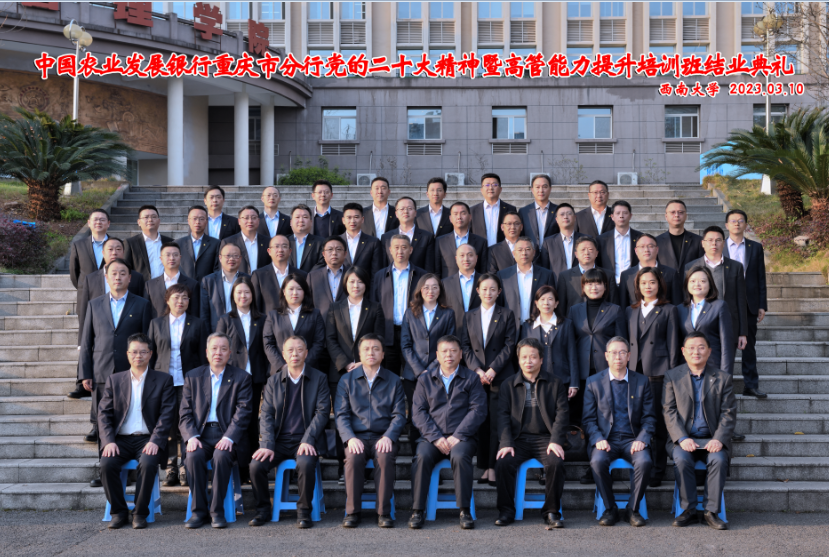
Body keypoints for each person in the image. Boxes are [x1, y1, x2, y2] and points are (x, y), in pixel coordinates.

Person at [78, 258, 153, 483]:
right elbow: (87, 341)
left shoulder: (142, 304)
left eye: (122, 273)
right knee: (104, 423)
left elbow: (147, 341)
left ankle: (131, 472)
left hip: (132, 373)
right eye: (113, 273)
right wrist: (85, 373)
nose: (118, 277)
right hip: (102, 373)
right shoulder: (95, 304)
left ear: (130, 278)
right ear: (106, 277)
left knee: (131, 418)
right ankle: (106, 471)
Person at [248, 336, 331, 528]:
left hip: (305, 440)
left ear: (306, 353)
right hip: (278, 441)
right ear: (283, 355)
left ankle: (303, 512)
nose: (295, 354)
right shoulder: (273, 381)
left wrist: (308, 439)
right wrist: (267, 444)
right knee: (256, 465)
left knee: (305, 463)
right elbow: (266, 414)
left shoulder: (319, 378)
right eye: (290, 350)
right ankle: (262, 510)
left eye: (300, 349)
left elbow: (322, 412)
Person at [409, 335, 487, 530]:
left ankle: (464, 510)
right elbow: (418, 412)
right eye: (444, 351)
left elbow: (478, 410)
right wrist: (435, 437)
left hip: (462, 438)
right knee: (421, 457)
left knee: (460, 457)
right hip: (432, 438)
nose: (449, 355)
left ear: (461, 354)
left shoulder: (471, 378)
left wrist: (458, 436)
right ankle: (417, 510)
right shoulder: (425, 379)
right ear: (437, 355)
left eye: (453, 351)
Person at [97, 333, 176, 529]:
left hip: (148, 439)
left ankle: (140, 513)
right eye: (134, 352)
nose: (138, 356)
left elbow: (167, 415)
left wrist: (155, 440)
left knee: (148, 463)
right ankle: (119, 512)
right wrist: (108, 441)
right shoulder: (115, 380)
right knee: (107, 464)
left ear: (150, 354)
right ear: (127, 354)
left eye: (143, 352)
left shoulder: (164, 380)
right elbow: (104, 414)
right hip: (120, 440)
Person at [494, 337, 569, 529]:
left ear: (541, 359)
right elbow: (502, 415)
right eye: (524, 357)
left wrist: (556, 440)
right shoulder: (508, 385)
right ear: (518, 360)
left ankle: (551, 511)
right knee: (503, 462)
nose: (529, 361)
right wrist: (506, 442)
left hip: (546, 439)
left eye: (533, 357)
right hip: (518, 439)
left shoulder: (555, 383)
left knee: (555, 462)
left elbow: (562, 414)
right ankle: (506, 510)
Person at [664, 332, 736, 530]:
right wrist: (681, 437)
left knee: (718, 460)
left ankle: (711, 512)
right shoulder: (672, 377)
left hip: (712, 439)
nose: (696, 352)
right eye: (691, 348)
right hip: (684, 439)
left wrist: (718, 439)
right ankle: (688, 510)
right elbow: (669, 411)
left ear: (709, 351)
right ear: (683, 351)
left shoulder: (722, 378)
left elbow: (728, 413)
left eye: (701, 347)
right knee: (681, 459)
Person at [180, 333, 252, 529]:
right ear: (207, 352)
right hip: (200, 435)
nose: (218, 352)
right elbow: (185, 413)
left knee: (221, 456)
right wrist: (191, 437)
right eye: (214, 348)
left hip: (226, 435)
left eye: (223, 348)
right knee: (193, 456)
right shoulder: (193, 377)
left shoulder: (242, 378)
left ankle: (217, 511)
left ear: (230, 353)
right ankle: (198, 512)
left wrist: (229, 437)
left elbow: (243, 413)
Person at [582, 337, 656, 527]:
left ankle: (633, 508)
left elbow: (649, 417)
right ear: (606, 356)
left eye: (622, 352)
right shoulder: (593, 382)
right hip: (607, 440)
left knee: (644, 461)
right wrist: (598, 438)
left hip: (633, 439)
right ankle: (610, 508)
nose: (618, 357)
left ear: (629, 356)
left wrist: (642, 438)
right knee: (597, 461)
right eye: (613, 353)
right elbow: (588, 419)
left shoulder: (641, 381)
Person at [335, 334, 407, 528]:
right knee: (353, 458)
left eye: (376, 349)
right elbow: (341, 415)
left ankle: (383, 512)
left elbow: (400, 415)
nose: (371, 352)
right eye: (366, 349)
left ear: (383, 354)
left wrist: (389, 436)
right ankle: (352, 512)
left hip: (382, 436)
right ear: (359, 354)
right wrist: (349, 438)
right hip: (356, 436)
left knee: (384, 457)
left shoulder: (393, 380)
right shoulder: (346, 380)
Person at [325, 266, 385, 483]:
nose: (356, 285)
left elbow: (379, 338)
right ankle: (344, 467)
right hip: (340, 372)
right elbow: (330, 339)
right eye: (351, 281)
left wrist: (362, 362)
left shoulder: (375, 308)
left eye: (360, 281)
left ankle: (366, 468)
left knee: (365, 416)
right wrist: (345, 363)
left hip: (368, 370)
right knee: (343, 418)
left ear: (366, 284)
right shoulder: (335, 308)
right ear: (345, 284)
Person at [147, 284, 209, 486]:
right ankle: (170, 466)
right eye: (176, 297)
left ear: (189, 301)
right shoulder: (156, 324)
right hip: (163, 382)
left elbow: (203, 357)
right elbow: (151, 355)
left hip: (189, 382)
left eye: (184, 297)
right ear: (167, 300)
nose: (180, 301)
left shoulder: (198, 324)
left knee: (186, 423)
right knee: (167, 424)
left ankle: (185, 466)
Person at [626, 267, 681, 487]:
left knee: (657, 422)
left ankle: (658, 469)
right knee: (637, 421)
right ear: (637, 286)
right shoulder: (630, 310)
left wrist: (672, 375)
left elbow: (673, 344)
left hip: (658, 372)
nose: (648, 286)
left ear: (659, 284)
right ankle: (640, 464)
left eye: (652, 282)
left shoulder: (668, 309)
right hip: (635, 373)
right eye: (643, 283)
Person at [461, 273, 517, 486]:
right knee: (480, 422)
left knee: (496, 422)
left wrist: (493, 370)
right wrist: (476, 369)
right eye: (484, 289)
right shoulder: (469, 316)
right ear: (477, 291)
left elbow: (510, 345)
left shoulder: (507, 314)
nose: (488, 292)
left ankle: (494, 467)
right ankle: (483, 466)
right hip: (477, 377)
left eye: (493, 289)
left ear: (499, 292)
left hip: (500, 376)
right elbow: (465, 345)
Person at [215, 277, 269, 481]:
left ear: (253, 295)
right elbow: (220, 347)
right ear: (233, 296)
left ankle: (251, 467)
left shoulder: (262, 318)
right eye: (239, 292)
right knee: (234, 421)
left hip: (255, 377)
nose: (243, 296)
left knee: (251, 421)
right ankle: (237, 466)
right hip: (232, 377)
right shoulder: (225, 319)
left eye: (247, 292)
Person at [567, 268, 626, 445]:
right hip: (581, 371)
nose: (594, 287)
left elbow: (621, 342)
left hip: (605, 370)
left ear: (605, 286)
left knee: (604, 413)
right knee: (580, 413)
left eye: (598, 283)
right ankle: (581, 452)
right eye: (589, 283)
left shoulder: (615, 310)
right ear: (583, 287)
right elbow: (570, 343)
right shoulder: (574, 310)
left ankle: (603, 449)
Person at [75, 237, 146, 370]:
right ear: (103, 253)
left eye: (118, 249)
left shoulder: (137, 277)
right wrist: (81, 340)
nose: (114, 252)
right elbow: (84, 311)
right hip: (102, 345)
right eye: (110, 249)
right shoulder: (91, 279)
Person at [684, 226, 748, 368]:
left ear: (723, 243)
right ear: (703, 243)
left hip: (728, 325)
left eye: (718, 240)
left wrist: (742, 332)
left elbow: (741, 300)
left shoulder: (735, 266)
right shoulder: (691, 267)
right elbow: (686, 297)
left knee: (725, 365)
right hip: (701, 326)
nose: (714, 243)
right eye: (710, 240)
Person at [725, 209, 768, 399]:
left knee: (749, 346)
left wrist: (762, 304)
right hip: (725, 303)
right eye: (733, 220)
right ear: (726, 225)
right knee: (725, 345)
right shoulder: (719, 245)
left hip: (749, 303)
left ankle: (750, 385)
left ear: (746, 225)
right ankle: (723, 386)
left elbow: (760, 277)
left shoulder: (755, 247)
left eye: (740, 220)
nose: (737, 223)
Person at [371, 235, 427, 377]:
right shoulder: (380, 276)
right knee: (389, 376)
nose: (400, 251)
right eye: (396, 247)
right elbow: (374, 305)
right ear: (390, 250)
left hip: (413, 332)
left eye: (404, 247)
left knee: (412, 375)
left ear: (411, 250)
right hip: (388, 333)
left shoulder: (421, 275)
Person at [519, 286, 579, 395]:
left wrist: (574, 383)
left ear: (556, 303)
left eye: (550, 299)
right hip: (534, 381)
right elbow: (522, 355)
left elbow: (572, 354)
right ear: (536, 303)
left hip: (562, 380)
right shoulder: (527, 326)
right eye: (542, 299)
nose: (546, 303)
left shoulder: (566, 324)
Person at [263, 274, 326, 374]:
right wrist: (282, 365)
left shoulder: (315, 314)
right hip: (280, 371)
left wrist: (302, 365)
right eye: (291, 289)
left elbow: (319, 342)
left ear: (304, 292)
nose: (295, 293)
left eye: (299, 289)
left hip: (308, 370)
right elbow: (268, 343)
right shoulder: (273, 316)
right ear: (284, 292)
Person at [677, 266, 735, 374]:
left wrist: (725, 375)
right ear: (687, 284)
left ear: (710, 284)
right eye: (692, 281)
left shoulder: (719, 306)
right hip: (686, 369)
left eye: (702, 281)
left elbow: (727, 345)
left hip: (713, 366)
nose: (697, 284)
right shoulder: (680, 309)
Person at [497, 236, 556, 335]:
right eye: (520, 250)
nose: (524, 253)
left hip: (538, 328)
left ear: (534, 252)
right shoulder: (503, 276)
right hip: (510, 328)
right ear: (514, 253)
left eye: (528, 249)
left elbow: (552, 302)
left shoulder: (547, 275)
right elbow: (500, 304)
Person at [556, 236, 617, 316]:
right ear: (576, 254)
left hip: (602, 319)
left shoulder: (608, 275)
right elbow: (561, 306)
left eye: (590, 249)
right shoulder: (565, 276)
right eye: (583, 250)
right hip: (574, 320)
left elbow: (613, 303)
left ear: (596, 253)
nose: (586, 253)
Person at [619, 233, 681, 309]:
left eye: (650, 246)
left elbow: (677, 304)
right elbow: (623, 306)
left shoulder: (671, 273)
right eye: (642, 246)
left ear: (657, 249)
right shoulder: (626, 275)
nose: (646, 250)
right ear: (636, 250)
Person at [251, 234, 306, 314]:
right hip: (269, 321)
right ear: (269, 251)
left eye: (284, 246)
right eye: (276, 246)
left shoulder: (302, 275)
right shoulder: (259, 275)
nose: (280, 250)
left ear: (290, 251)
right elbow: (255, 307)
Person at [199, 242, 249, 331]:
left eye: (235, 256)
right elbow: (204, 313)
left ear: (240, 258)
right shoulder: (208, 281)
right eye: (228, 256)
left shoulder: (248, 279)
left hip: (243, 330)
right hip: (217, 331)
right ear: (220, 258)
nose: (231, 259)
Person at [143, 242, 199, 318]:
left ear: (180, 257)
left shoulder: (192, 284)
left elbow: (195, 313)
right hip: (158, 325)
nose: (172, 258)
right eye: (168, 255)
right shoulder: (150, 285)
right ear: (161, 259)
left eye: (175, 255)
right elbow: (146, 313)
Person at [382, 196, 435, 272]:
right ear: (396, 214)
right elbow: (383, 266)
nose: (405, 211)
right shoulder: (386, 237)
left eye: (409, 208)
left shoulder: (427, 237)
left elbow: (429, 267)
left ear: (415, 213)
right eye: (402, 209)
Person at [435, 202, 488, 278]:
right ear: (450, 218)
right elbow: (437, 270)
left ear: (470, 217)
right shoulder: (440, 242)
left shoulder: (481, 242)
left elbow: (483, 270)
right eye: (455, 214)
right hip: (448, 284)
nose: (459, 217)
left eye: (463, 213)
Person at [123, 205, 173, 283]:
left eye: (153, 217)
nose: (150, 220)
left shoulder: (170, 242)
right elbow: (125, 268)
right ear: (139, 222)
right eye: (146, 217)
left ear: (159, 221)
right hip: (142, 287)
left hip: (168, 286)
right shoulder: (130, 243)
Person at [441, 244, 481, 338]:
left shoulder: (485, 281)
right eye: (462, 255)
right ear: (456, 259)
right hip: (453, 333)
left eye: (470, 255)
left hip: (480, 334)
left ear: (476, 258)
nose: (466, 259)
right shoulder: (445, 283)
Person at [598, 200, 642, 285]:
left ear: (630, 216)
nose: (621, 216)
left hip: (634, 284)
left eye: (625, 213)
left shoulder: (640, 238)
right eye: (618, 213)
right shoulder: (602, 239)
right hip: (609, 284)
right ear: (612, 217)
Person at [306, 236, 350, 319]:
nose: (334, 253)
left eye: (338, 249)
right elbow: (308, 303)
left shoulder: (352, 275)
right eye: (330, 249)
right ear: (323, 254)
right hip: (321, 321)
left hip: (347, 321)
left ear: (345, 254)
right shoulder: (313, 277)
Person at [538, 203, 586, 277]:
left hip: (581, 282)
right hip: (557, 282)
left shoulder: (586, 240)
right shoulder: (548, 243)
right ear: (556, 220)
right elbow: (544, 269)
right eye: (562, 214)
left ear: (575, 218)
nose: (565, 217)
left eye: (569, 214)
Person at [220, 206, 270, 275]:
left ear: (258, 221)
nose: (250, 221)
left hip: (262, 280)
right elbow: (222, 267)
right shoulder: (228, 242)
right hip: (238, 281)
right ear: (239, 221)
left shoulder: (268, 242)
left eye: (253, 218)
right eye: (246, 218)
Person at [470, 173, 517, 247]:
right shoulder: (472, 211)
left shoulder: (510, 209)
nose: (490, 188)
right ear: (481, 190)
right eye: (487, 185)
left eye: (494, 185)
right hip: (480, 252)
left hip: (502, 251)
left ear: (500, 189)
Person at [656, 199, 703, 272]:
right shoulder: (657, 242)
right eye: (672, 212)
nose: (677, 215)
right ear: (666, 216)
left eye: (680, 212)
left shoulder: (698, 241)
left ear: (686, 216)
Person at [177, 205, 221, 282]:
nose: (197, 222)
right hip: (183, 287)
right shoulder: (178, 243)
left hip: (207, 286)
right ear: (188, 221)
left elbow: (217, 269)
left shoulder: (216, 243)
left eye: (201, 219)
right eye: (194, 218)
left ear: (206, 222)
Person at [341, 202, 385, 278]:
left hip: (365, 284)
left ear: (362, 219)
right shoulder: (337, 241)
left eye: (356, 217)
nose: (352, 221)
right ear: (343, 220)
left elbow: (376, 272)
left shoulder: (373, 242)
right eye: (349, 217)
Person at [69, 208, 110, 289]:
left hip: (110, 292)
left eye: (102, 220)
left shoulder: (117, 245)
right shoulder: (78, 245)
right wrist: (83, 288)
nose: (98, 222)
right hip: (86, 292)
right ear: (89, 223)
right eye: (95, 219)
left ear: (108, 223)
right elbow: (74, 272)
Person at [518, 174, 559, 248]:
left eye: (544, 187)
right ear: (532, 190)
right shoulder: (524, 212)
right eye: (537, 187)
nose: (541, 190)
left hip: (552, 252)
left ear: (550, 189)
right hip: (530, 252)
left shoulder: (558, 211)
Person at [288, 204, 326, 273]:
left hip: (312, 279)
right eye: (297, 217)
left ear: (311, 222)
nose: (301, 220)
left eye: (305, 217)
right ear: (291, 222)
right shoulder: (284, 242)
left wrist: (308, 277)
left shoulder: (321, 243)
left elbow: (321, 264)